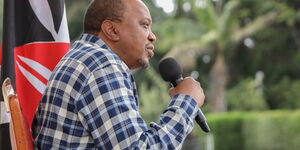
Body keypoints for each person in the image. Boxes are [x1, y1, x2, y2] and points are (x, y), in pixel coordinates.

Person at [31, 0, 205, 149]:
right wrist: (186, 102)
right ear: (111, 30)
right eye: (144, 25)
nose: (152, 36)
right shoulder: (101, 66)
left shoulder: (83, 57)